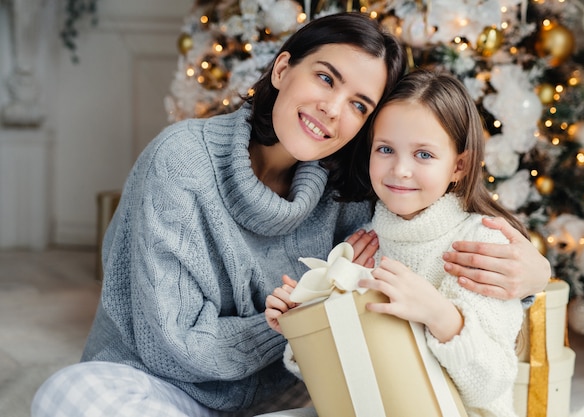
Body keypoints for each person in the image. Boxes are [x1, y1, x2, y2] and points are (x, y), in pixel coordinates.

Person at [32, 12, 547, 417]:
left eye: (359, 105)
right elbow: (173, 349)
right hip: (164, 391)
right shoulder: (182, 162)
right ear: (282, 69)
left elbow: (433, 234)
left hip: (287, 400)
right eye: (325, 78)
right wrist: (281, 325)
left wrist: (534, 275)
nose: (332, 109)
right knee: (67, 397)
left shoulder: (361, 187)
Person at [266, 69, 528, 416]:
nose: (400, 169)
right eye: (386, 149)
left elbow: (490, 384)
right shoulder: (363, 246)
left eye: (423, 155)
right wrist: (304, 327)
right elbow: (343, 379)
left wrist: (440, 315)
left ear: (459, 166)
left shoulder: (480, 243)